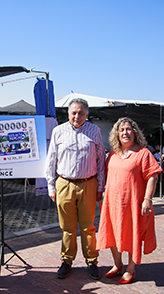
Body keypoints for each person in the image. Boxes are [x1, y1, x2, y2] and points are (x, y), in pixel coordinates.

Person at [45, 98, 105, 280]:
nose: (77, 116)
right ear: (68, 114)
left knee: (88, 227)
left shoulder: (95, 131)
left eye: (81, 113)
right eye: (73, 113)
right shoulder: (58, 131)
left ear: (87, 114)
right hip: (64, 184)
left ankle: (92, 261)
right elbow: (51, 160)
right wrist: (51, 186)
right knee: (67, 227)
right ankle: (67, 261)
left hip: (89, 183)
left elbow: (101, 160)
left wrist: (100, 185)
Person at [96, 118, 162, 284]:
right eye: (121, 130)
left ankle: (130, 269)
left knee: (133, 235)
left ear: (135, 132)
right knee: (111, 233)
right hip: (112, 203)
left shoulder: (143, 153)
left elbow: (153, 176)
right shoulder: (112, 154)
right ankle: (117, 264)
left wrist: (148, 199)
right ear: (117, 134)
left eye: (128, 129)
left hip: (133, 204)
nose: (125, 133)